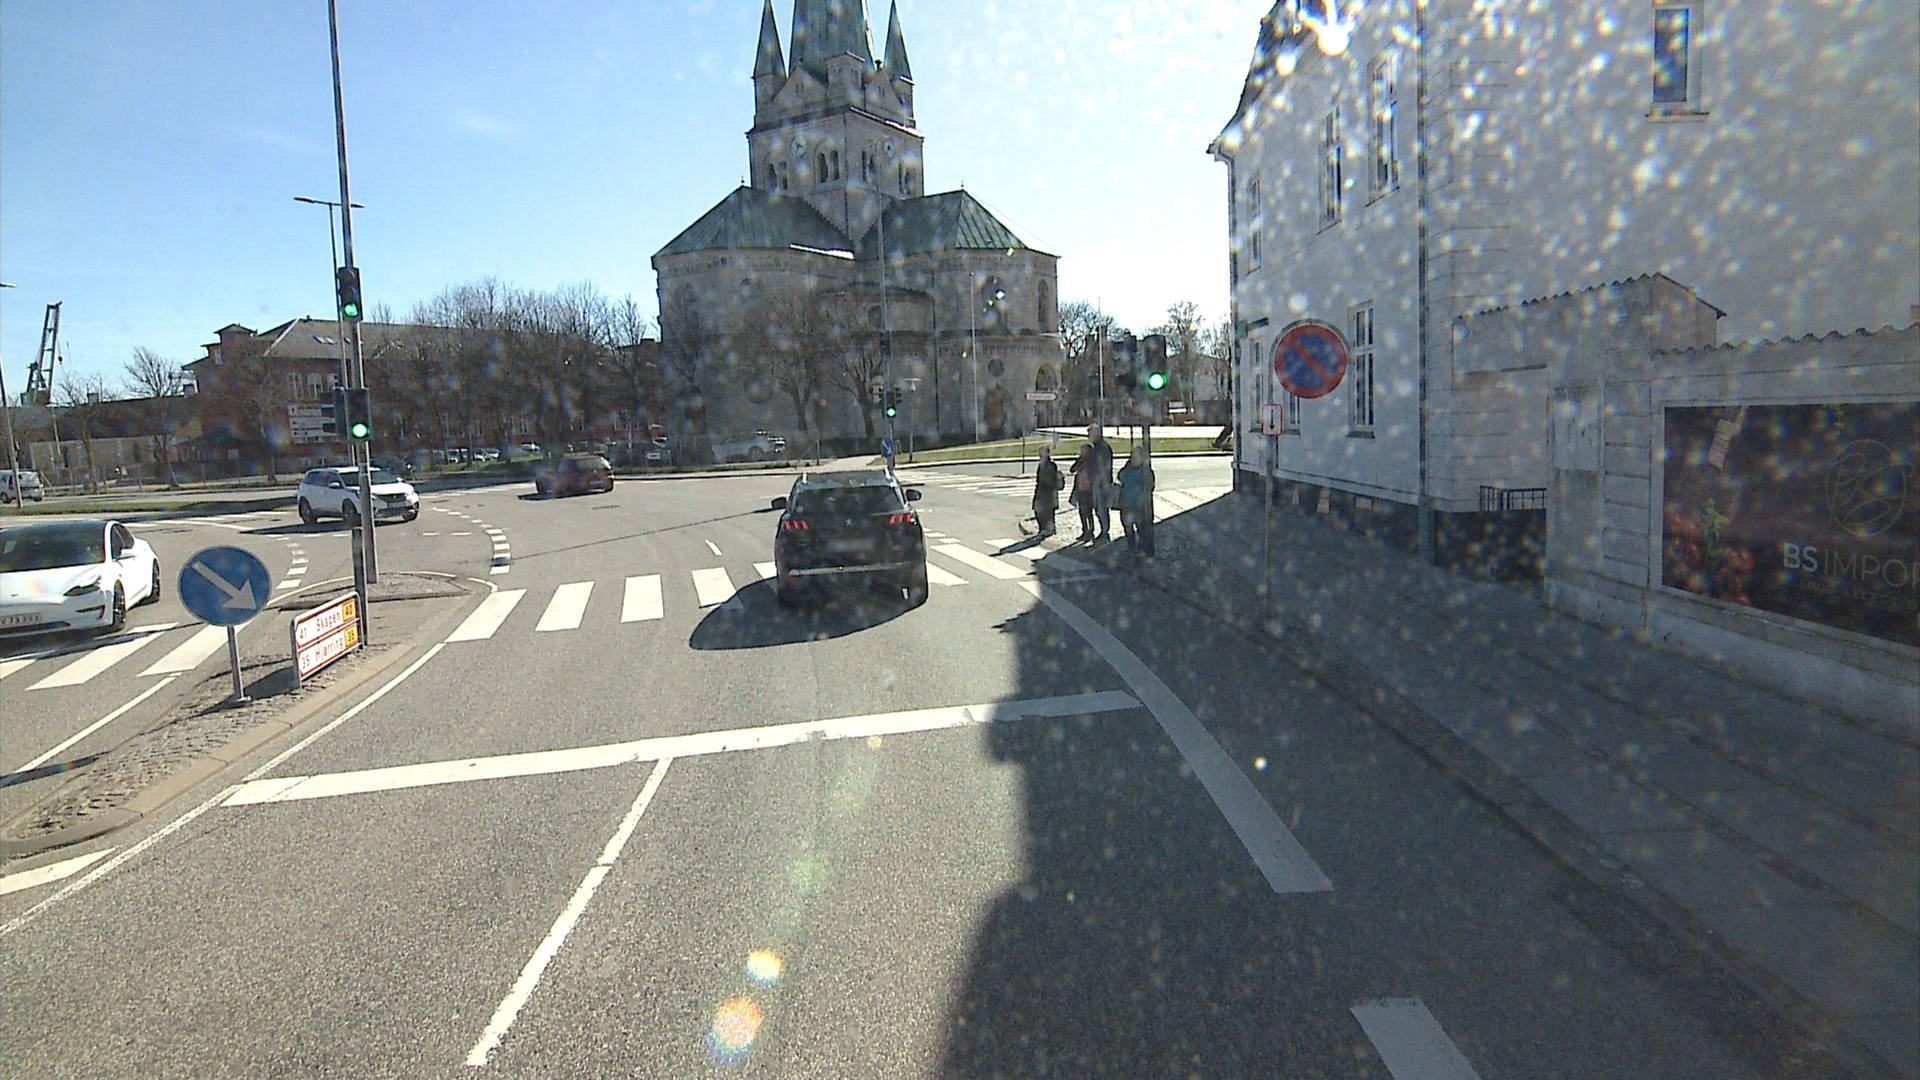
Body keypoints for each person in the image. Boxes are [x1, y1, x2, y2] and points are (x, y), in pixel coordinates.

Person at [1117, 446, 1153, 555]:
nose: (1133, 459)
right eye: (1132, 457)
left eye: (1136, 457)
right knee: (1127, 527)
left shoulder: (1145, 471)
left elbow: (1149, 486)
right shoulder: (1128, 469)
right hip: (1126, 503)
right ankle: (1131, 546)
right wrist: (1127, 466)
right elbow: (1120, 476)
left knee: (1140, 527)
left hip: (1138, 505)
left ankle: (1142, 547)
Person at [1086, 423, 1116, 542]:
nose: (1088, 436)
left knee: (1101, 508)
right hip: (1097, 482)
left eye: (1090, 433)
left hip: (1102, 483)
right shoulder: (1097, 447)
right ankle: (1103, 530)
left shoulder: (1102, 448)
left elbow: (1103, 466)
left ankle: (1105, 531)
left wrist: (1099, 480)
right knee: (1099, 508)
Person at [1031, 446, 1063, 535]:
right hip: (1040, 490)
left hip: (1048, 491)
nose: (1040, 454)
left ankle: (1049, 529)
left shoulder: (1050, 464)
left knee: (1048, 511)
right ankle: (1043, 529)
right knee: (1038, 510)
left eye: (1042, 452)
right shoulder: (1041, 464)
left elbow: (1049, 479)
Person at [1069, 444, 1097, 541]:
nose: (1082, 453)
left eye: (1084, 451)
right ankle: (1084, 530)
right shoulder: (1080, 461)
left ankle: (1091, 531)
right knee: (1082, 512)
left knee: (1088, 512)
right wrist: (1079, 460)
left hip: (1089, 490)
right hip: (1080, 489)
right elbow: (1072, 469)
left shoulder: (1092, 462)